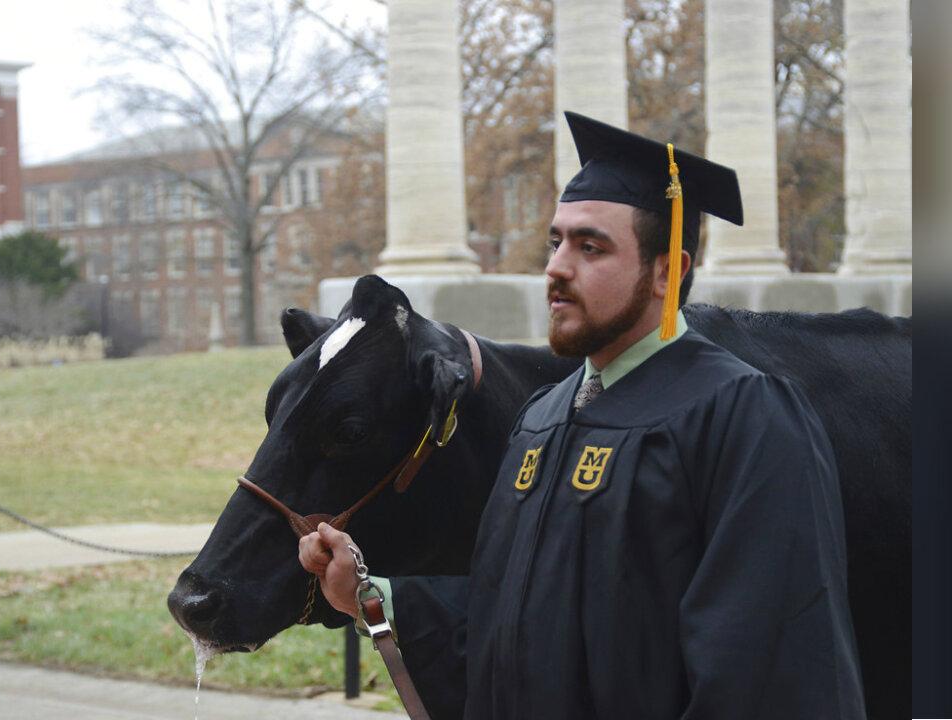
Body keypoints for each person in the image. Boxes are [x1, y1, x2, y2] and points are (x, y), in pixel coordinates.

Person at [299, 112, 866, 719]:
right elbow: (509, 620)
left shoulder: (741, 415)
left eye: (590, 246)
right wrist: (372, 596)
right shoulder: (542, 418)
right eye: (556, 241)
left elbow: (767, 664)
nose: (556, 268)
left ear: (666, 272)